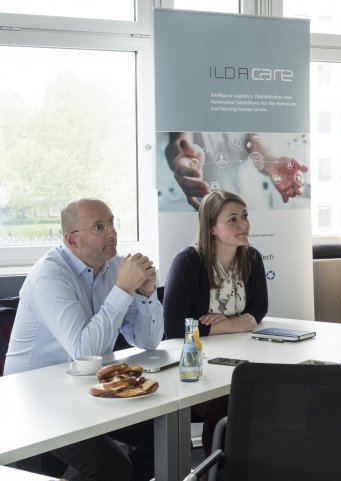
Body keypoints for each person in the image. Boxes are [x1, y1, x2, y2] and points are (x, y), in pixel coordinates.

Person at [4, 198, 163, 481]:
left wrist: (147, 294)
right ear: (71, 240)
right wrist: (124, 288)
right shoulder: (50, 276)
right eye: (99, 227)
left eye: (112, 222)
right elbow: (84, 351)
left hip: (82, 390)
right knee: (112, 467)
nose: (112, 232)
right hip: (35, 401)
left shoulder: (113, 267)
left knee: (165, 439)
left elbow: (148, 341)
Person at [163, 190, 268, 455]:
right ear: (211, 227)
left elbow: (258, 308)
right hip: (191, 365)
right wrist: (232, 325)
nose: (243, 224)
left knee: (268, 395)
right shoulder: (188, 262)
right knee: (225, 404)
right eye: (232, 219)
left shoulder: (251, 258)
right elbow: (175, 328)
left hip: (235, 356)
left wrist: (217, 324)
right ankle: (218, 473)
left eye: (244, 216)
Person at [165, 131, 308, 210]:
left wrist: (272, 165)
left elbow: (254, 142)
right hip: (207, 206)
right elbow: (178, 141)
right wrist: (180, 159)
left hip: (250, 201)